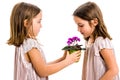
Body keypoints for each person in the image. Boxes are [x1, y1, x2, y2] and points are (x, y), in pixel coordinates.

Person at [7, 2, 81, 80]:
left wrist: (63, 58)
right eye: (39, 21)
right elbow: (43, 71)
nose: (41, 25)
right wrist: (68, 61)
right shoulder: (30, 44)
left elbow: (41, 66)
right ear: (26, 23)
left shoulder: (22, 44)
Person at [73, 1, 119, 80]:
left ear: (95, 22)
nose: (78, 29)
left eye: (81, 25)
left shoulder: (102, 42)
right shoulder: (88, 41)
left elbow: (114, 70)